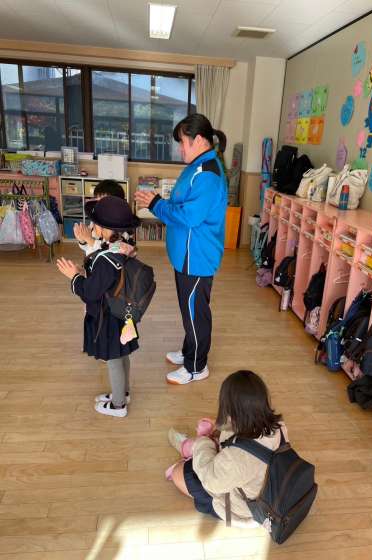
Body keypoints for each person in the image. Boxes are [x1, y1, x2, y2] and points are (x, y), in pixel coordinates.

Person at [135, 113, 228, 385]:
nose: (180, 149)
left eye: (183, 142)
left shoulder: (208, 174)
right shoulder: (198, 165)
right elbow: (182, 204)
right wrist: (158, 203)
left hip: (196, 257)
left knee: (196, 313)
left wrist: (155, 204)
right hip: (186, 256)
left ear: (198, 140)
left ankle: (197, 367)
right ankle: (189, 351)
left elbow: (189, 216)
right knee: (190, 311)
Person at [167, 370, 288, 526]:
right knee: (212, 450)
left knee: (178, 472)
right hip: (266, 488)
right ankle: (196, 450)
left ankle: (190, 450)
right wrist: (220, 427)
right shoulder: (278, 426)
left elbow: (211, 481)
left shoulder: (237, 459)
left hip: (245, 510)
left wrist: (202, 442)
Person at [56, 196, 141, 417]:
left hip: (109, 317)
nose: (92, 227)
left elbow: (90, 292)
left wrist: (74, 276)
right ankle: (123, 393)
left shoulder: (105, 259)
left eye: (95, 224)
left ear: (104, 229)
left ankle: (118, 406)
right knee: (122, 354)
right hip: (123, 312)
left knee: (113, 359)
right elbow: (106, 279)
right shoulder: (124, 246)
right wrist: (85, 269)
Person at [74, 179, 127, 257]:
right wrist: (83, 241)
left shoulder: (121, 228)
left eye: (103, 202)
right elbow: (88, 248)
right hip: (93, 262)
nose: (98, 206)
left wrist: (89, 239)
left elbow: (114, 253)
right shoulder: (95, 221)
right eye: (97, 201)